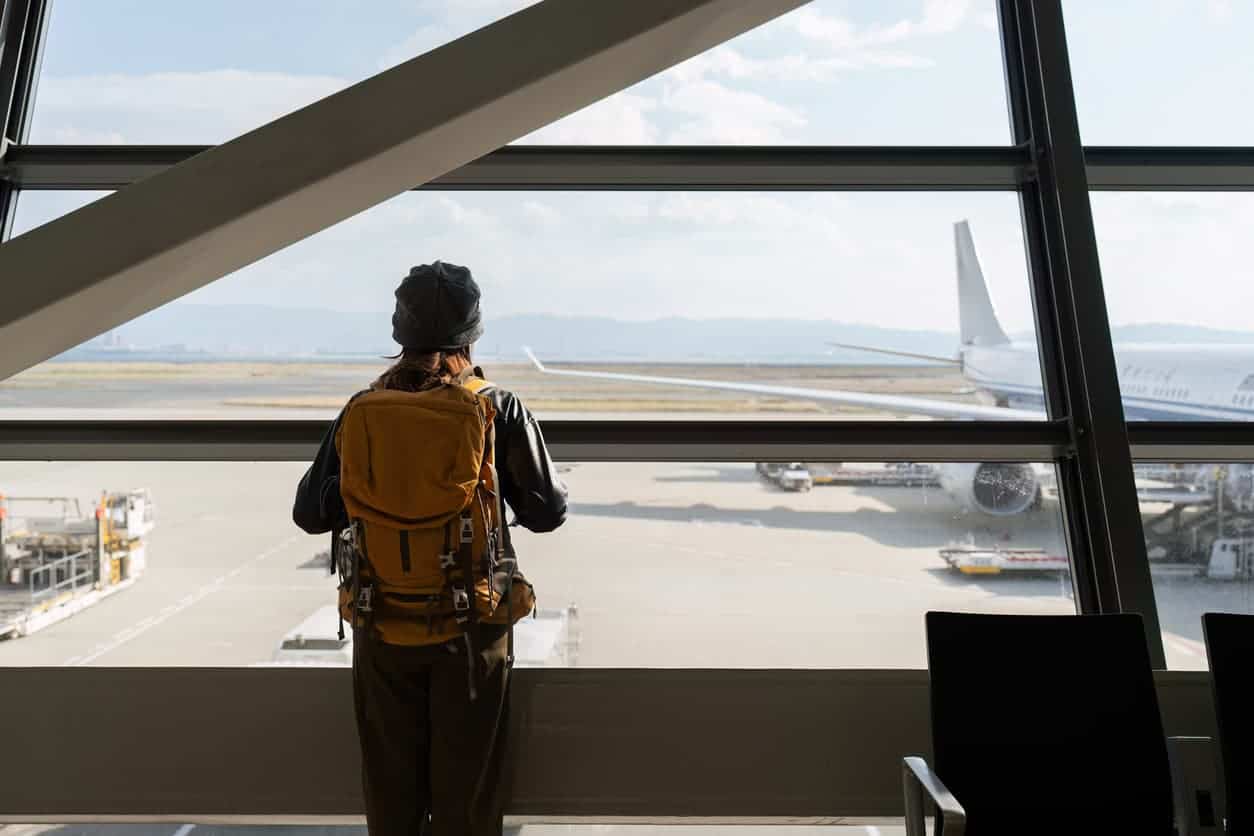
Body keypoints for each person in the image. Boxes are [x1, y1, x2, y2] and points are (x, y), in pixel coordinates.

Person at [292, 261, 567, 836]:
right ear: (473, 331)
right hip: (471, 632)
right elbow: (547, 512)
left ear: (400, 332)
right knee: (468, 805)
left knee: (392, 804)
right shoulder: (498, 408)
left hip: (382, 625)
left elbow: (311, 513)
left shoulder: (362, 409)